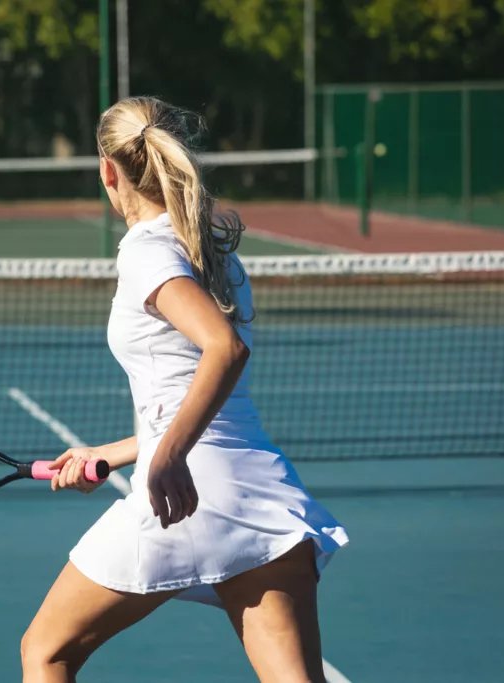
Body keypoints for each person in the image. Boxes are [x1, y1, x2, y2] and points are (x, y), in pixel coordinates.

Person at [21, 97, 349, 683]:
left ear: (108, 170)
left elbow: (224, 347)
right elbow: (193, 391)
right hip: (260, 492)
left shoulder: (148, 252)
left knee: (46, 652)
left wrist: (166, 455)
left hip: (183, 495)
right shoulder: (214, 252)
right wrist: (118, 451)